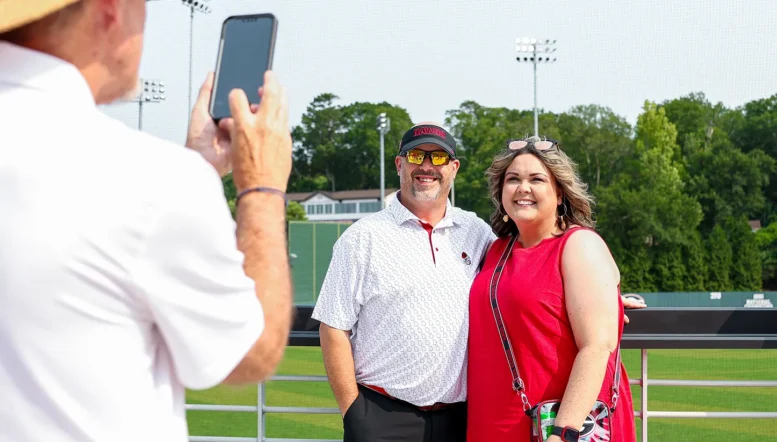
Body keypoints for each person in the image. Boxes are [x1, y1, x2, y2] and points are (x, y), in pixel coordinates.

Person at [0, 1, 293, 441]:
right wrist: (263, 187)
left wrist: (197, 169)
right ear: (110, 10)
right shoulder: (154, 180)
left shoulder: (159, 183)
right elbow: (251, 353)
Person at [312, 122, 495, 442]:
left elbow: (521, 269)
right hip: (382, 416)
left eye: (438, 158)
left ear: (454, 168)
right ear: (400, 164)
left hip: (459, 418)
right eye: (416, 155)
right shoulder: (362, 237)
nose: (426, 166)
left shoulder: (475, 230)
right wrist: (354, 412)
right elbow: (332, 327)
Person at [467, 137, 637, 442]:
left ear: (559, 192)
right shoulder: (496, 250)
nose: (523, 188)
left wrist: (564, 432)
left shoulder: (579, 245)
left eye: (536, 179)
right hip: (496, 421)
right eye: (513, 179)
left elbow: (597, 347)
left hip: (560, 425)